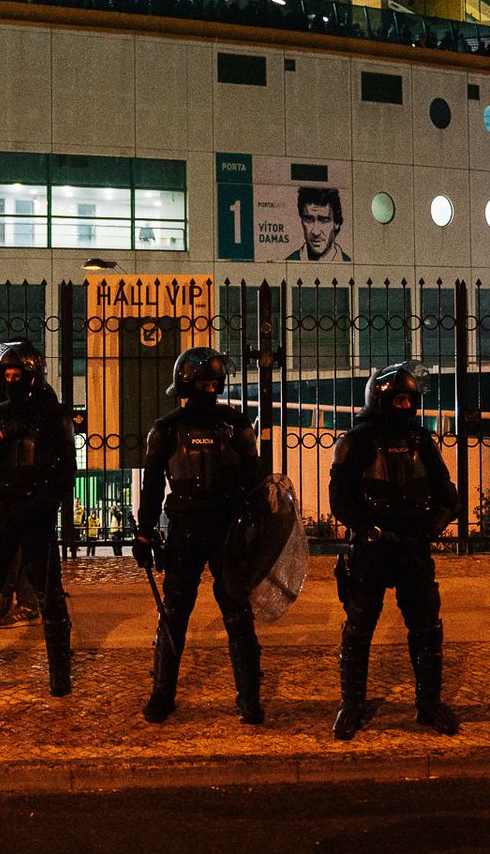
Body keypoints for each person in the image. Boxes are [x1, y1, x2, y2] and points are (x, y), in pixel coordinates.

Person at [133, 346, 268, 724]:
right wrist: (144, 535)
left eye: (213, 383)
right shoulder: (166, 429)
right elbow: (152, 487)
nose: (208, 390)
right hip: (186, 531)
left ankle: (249, 698)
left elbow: (256, 483)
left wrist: (260, 528)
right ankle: (163, 692)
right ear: (187, 385)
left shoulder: (236, 426)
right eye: (202, 383)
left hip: (227, 530)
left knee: (237, 615)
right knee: (174, 614)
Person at [327, 362, 460, 739]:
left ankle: (429, 703)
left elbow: (447, 494)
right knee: (358, 627)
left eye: (409, 399)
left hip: (413, 547)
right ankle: (352, 703)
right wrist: (368, 531)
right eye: (398, 398)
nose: (405, 406)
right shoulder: (356, 440)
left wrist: (430, 529)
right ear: (382, 400)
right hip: (371, 550)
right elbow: (340, 498)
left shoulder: (421, 440)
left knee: (426, 627)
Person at [0, 341, 77, 695]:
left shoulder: (54, 416)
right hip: (0, 509)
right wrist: (6, 434)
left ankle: (59, 673)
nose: (10, 380)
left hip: (35, 512)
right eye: (5, 375)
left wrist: (41, 507)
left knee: (48, 594)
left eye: (16, 374)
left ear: (32, 375)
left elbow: (66, 472)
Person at [285, 187, 350, 262]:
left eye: (324, 220)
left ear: (336, 223)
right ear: (302, 221)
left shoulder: (348, 262)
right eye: (309, 220)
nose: (316, 232)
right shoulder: (287, 263)